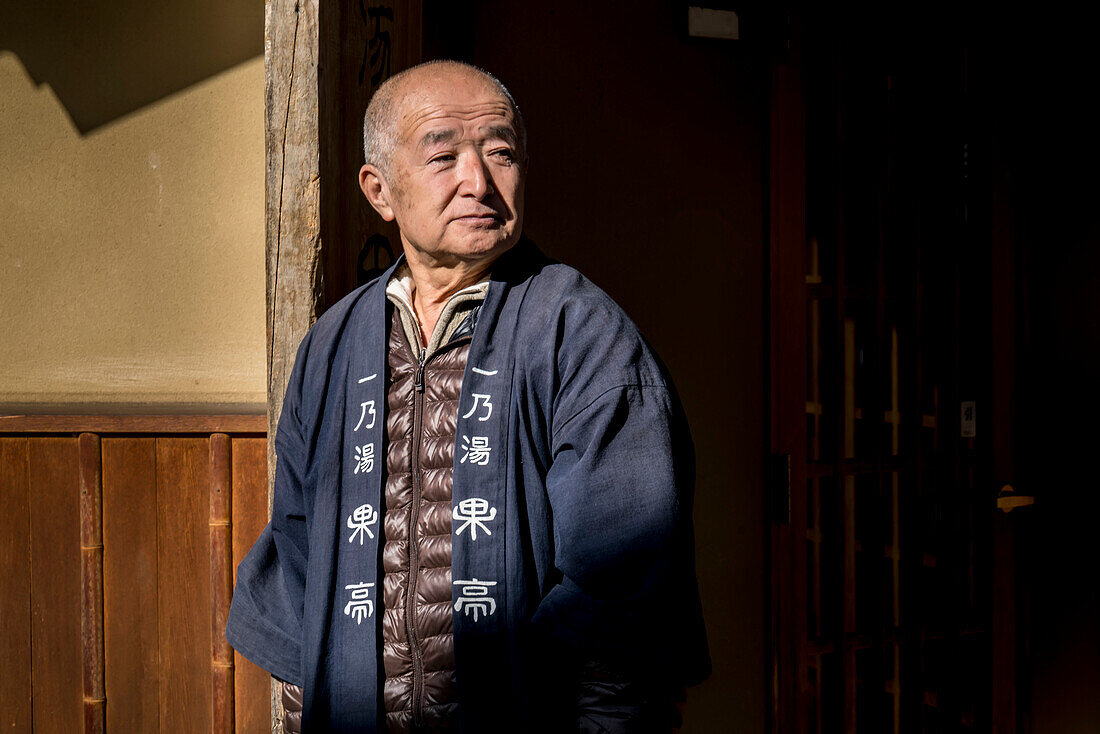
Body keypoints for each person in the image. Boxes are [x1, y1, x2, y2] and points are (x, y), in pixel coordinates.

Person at [227, 60, 709, 733]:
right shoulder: (335, 343)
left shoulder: (578, 330)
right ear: (379, 189)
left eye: (500, 152)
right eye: (444, 153)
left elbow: (621, 597)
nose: (477, 181)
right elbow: (299, 566)